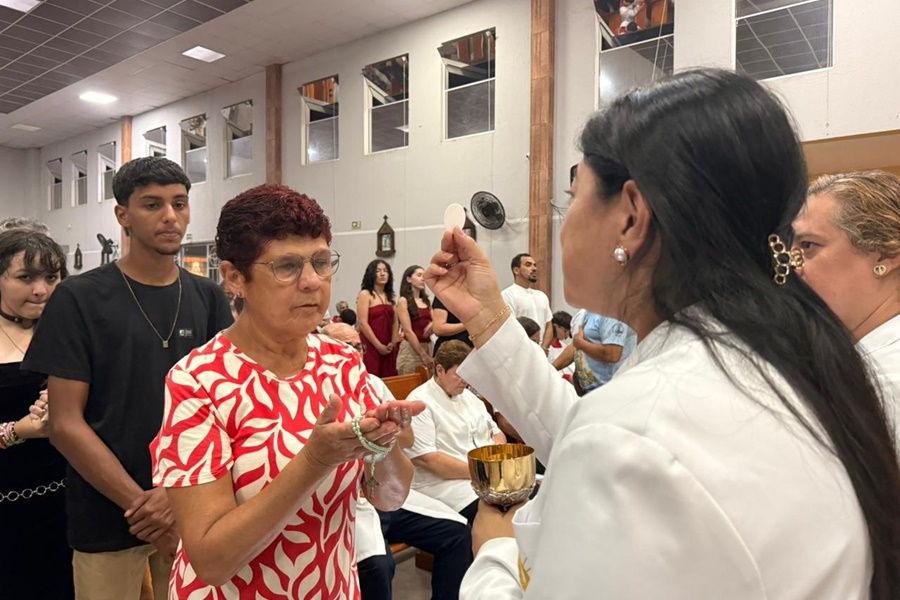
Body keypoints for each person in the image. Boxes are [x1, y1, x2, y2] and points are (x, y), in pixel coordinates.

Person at [425, 69, 900, 599]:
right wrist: (489, 320)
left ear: (631, 218)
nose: (565, 223)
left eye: (574, 196)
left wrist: (496, 556)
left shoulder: (641, 424)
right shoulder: (766, 354)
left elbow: (624, 440)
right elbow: (599, 430)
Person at [151, 184, 423, 599]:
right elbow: (211, 561)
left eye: (321, 262)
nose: (312, 282)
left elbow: (388, 499)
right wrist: (314, 461)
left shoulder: (341, 361)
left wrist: (382, 446)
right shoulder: (199, 381)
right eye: (287, 267)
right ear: (235, 278)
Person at [22, 156, 234, 600]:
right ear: (123, 215)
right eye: (152, 205)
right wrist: (143, 504)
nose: (170, 216)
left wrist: (172, 497)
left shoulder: (208, 297)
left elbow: (224, 407)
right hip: (107, 512)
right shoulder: (78, 298)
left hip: (193, 505)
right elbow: (65, 423)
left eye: (179, 203)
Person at [324, 323, 471, 600]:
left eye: (358, 347)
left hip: (389, 490)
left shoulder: (373, 384)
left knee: (457, 533)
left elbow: (409, 438)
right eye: (346, 347)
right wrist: (364, 433)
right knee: (379, 566)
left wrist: (389, 427)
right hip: (350, 499)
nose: (354, 353)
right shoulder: (318, 392)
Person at [792, 171, 900, 435]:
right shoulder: (860, 368)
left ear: (886, 255)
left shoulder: (887, 382)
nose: (792, 267)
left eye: (808, 246)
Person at [0, 229, 73, 599]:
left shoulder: (71, 332)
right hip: (7, 507)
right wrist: (18, 430)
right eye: (25, 277)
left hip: (69, 503)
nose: (41, 290)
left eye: (51, 277)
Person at [406, 340, 505, 525]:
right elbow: (428, 460)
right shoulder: (420, 402)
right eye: (460, 374)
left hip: (485, 475)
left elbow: (497, 433)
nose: (466, 381)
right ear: (440, 370)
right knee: (499, 512)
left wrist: (497, 457)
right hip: (445, 485)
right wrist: (483, 472)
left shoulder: (470, 398)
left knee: (533, 496)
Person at [571, 311, 637, 393]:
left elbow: (612, 354)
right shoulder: (589, 313)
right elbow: (578, 344)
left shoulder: (612, 313)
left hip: (611, 388)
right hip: (592, 389)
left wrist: (580, 343)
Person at [500, 254, 553, 352]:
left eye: (534, 265)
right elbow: (510, 326)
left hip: (540, 350)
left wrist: (544, 347)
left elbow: (549, 324)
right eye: (528, 265)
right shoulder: (508, 295)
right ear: (516, 270)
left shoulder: (541, 296)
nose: (534, 268)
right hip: (519, 349)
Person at [358, 259, 401, 377]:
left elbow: (395, 322)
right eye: (378, 271)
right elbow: (363, 323)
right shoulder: (365, 294)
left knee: (390, 377)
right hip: (371, 344)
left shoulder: (390, 296)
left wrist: (393, 341)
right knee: (373, 377)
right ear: (372, 274)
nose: (382, 274)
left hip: (389, 345)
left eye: (385, 271)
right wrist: (378, 345)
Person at [396, 265, 435, 374]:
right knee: (412, 378)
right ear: (409, 279)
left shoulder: (427, 301)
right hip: (411, 348)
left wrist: (433, 324)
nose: (423, 279)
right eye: (419, 275)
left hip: (428, 345)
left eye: (424, 276)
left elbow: (436, 320)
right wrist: (423, 354)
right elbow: (408, 331)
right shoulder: (403, 301)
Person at [546, 311, 574, 379]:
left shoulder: (565, 347)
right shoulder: (544, 346)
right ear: (555, 327)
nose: (567, 336)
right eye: (565, 331)